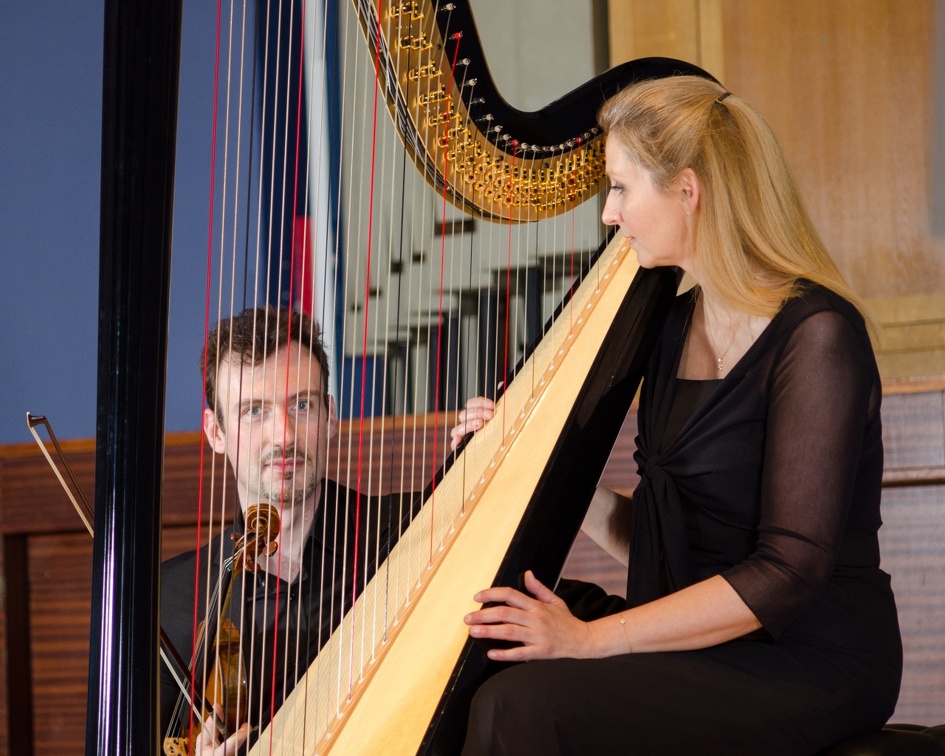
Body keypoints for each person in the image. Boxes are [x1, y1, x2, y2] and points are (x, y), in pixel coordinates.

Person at [451, 75, 902, 755]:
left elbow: (785, 572)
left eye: (621, 188)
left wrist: (589, 639)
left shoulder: (816, 338)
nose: (608, 213)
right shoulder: (669, 328)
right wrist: (530, 470)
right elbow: (674, 538)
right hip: (706, 643)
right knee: (490, 630)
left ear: (686, 191)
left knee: (525, 707)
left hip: (807, 657)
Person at [160, 306, 417, 755]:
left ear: (330, 416)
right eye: (254, 411)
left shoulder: (410, 527)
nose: (284, 435)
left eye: (302, 405)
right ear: (215, 432)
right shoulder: (173, 597)